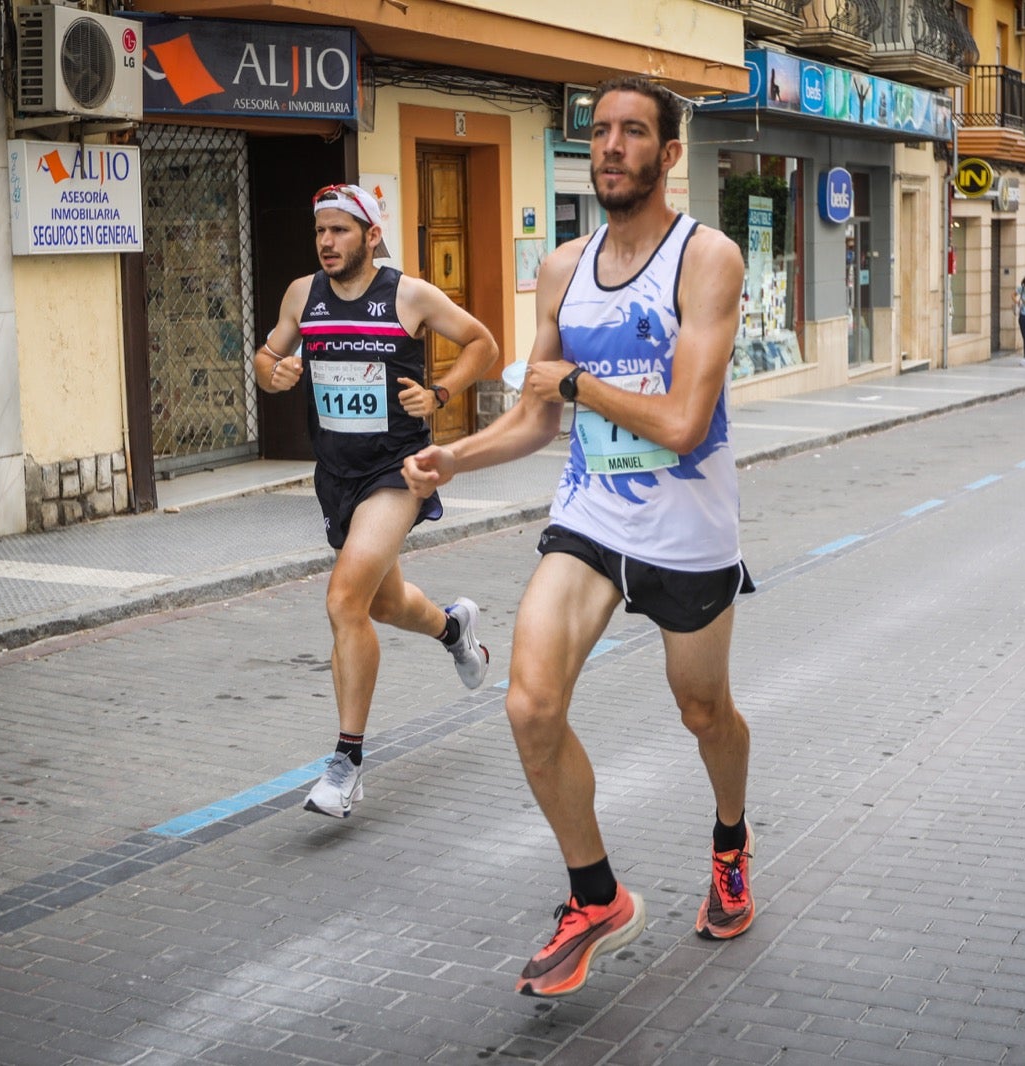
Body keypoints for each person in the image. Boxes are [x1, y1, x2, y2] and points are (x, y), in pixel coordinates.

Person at [402, 76, 756, 997]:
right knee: (530, 705)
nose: (611, 147)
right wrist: (458, 455)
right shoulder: (561, 269)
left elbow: (683, 421)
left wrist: (578, 386)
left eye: (634, 132)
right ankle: (595, 895)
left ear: (669, 155)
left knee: (703, 711)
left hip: (688, 531)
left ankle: (730, 839)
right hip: (591, 515)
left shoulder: (706, 260)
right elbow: (534, 417)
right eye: (599, 132)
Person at [255, 183, 499, 819]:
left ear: (369, 235)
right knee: (382, 603)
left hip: (398, 471)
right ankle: (455, 629)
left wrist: (440, 394)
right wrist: (269, 370)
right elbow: (269, 353)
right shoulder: (301, 294)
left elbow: (483, 344)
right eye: (320, 232)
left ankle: (347, 764)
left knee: (342, 600)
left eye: (339, 231)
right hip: (336, 474)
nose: (326, 243)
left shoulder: (407, 294)